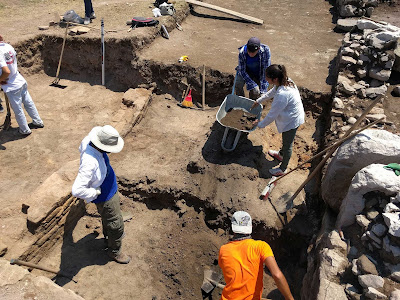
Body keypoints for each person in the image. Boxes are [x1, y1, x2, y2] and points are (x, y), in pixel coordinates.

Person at [72, 125, 131, 264]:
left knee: (110, 218)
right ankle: (114, 250)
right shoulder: (89, 162)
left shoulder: (89, 141)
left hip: (110, 188)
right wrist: (94, 192)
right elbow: (77, 190)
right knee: (115, 224)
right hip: (105, 197)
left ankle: (109, 235)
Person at [218, 211, 294, 300]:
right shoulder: (261, 247)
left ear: (233, 228)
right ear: (250, 226)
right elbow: (277, 275)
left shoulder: (223, 250)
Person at [251, 64, 305, 177]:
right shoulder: (284, 81)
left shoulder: (282, 95)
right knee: (285, 141)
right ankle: (280, 155)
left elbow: (272, 115)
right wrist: (258, 101)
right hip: (289, 115)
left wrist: (259, 124)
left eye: (267, 77)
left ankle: (283, 168)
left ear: (274, 79)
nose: (265, 79)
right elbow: (271, 92)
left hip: (292, 120)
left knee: (288, 144)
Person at [0, 35, 44, 135]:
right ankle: (37, 121)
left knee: (18, 109)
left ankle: (24, 130)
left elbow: (6, 71)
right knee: (29, 102)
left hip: (12, 86)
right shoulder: (8, 46)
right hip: (20, 80)